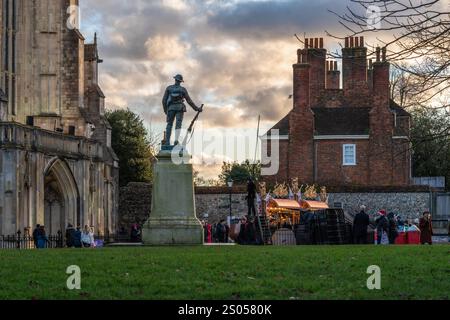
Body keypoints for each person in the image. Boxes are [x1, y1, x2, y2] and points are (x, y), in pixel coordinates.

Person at [162, 74, 202, 146]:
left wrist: (166, 110)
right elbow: (189, 101)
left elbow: (164, 100)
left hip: (171, 108)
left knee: (169, 124)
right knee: (178, 125)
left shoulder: (169, 88)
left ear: (175, 80)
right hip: (180, 108)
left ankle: (167, 142)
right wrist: (197, 108)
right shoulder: (183, 90)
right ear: (180, 81)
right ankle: (176, 141)